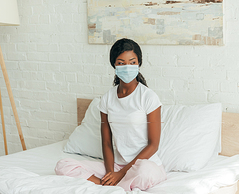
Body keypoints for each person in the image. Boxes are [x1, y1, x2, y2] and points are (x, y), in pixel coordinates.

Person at [55, 38, 167, 191]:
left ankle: (115, 186)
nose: (127, 67)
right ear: (114, 65)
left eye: (132, 62)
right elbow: (107, 143)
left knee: (145, 173)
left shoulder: (148, 97)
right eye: (121, 63)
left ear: (139, 63)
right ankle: (107, 185)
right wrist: (110, 173)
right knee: (63, 165)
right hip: (116, 165)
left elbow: (153, 145)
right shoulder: (107, 98)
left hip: (144, 164)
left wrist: (121, 173)